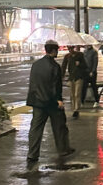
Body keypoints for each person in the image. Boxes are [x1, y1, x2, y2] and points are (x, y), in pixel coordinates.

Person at [26, 40, 74, 171]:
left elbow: (33, 83)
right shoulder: (54, 67)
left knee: (35, 128)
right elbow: (55, 87)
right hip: (51, 102)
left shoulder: (36, 65)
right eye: (57, 50)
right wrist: (58, 100)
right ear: (54, 51)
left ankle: (32, 154)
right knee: (59, 126)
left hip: (37, 101)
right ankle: (63, 149)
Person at [61, 45, 88, 118]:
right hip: (71, 77)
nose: (70, 50)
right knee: (72, 95)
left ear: (73, 48)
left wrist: (80, 64)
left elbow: (85, 65)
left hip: (79, 77)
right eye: (69, 49)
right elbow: (63, 66)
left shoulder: (80, 55)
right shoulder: (67, 56)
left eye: (71, 48)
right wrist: (62, 76)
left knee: (77, 94)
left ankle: (76, 109)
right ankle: (74, 109)